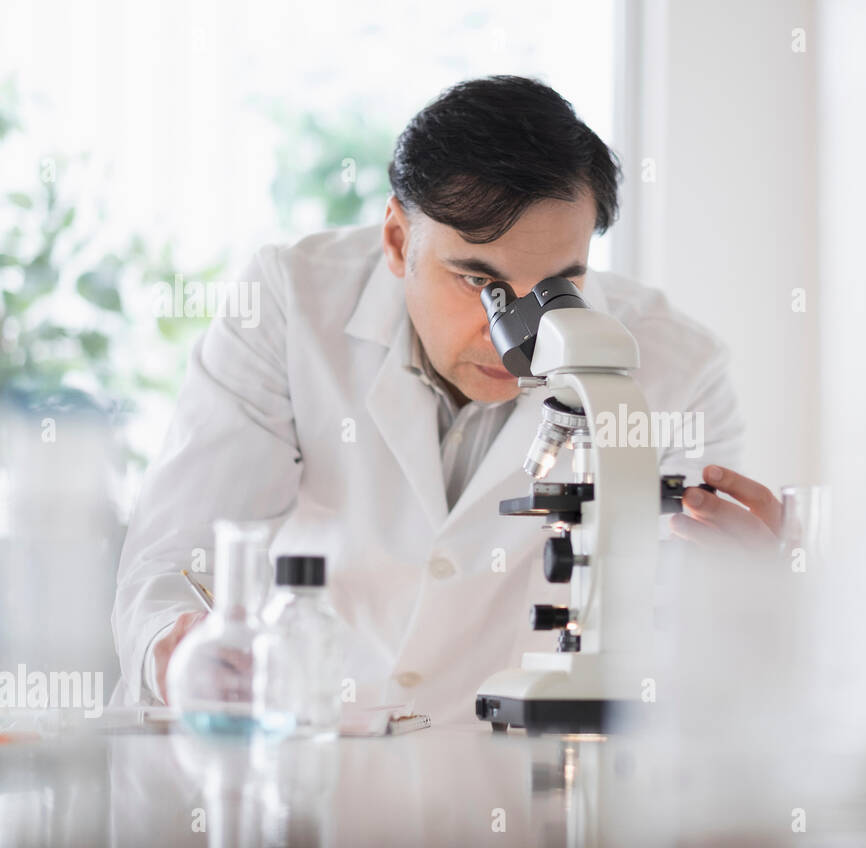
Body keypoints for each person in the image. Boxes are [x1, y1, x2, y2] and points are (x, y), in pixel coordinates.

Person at [109, 75, 783, 723]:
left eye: (557, 286)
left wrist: (746, 592)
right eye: (479, 283)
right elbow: (174, 562)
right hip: (317, 753)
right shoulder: (291, 304)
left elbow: (691, 656)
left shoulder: (678, 368)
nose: (515, 335)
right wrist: (184, 653)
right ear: (399, 239)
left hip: (516, 777)